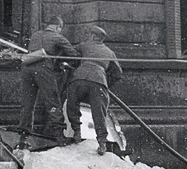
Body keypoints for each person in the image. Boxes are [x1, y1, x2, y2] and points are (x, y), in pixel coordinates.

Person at [19, 15, 79, 142]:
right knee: (52, 101)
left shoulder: (35, 35)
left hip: (27, 68)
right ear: (58, 27)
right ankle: (58, 134)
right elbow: (73, 55)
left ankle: (24, 133)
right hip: (43, 69)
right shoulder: (58, 37)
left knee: (28, 103)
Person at [66, 25, 123, 155]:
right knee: (99, 113)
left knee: (72, 104)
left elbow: (70, 53)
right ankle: (102, 143)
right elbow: (118, 73)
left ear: (92, 36)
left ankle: (76, 132)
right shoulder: (109, 52)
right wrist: (105, 82)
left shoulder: (84, 45)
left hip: (79, 78)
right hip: (99, 82)